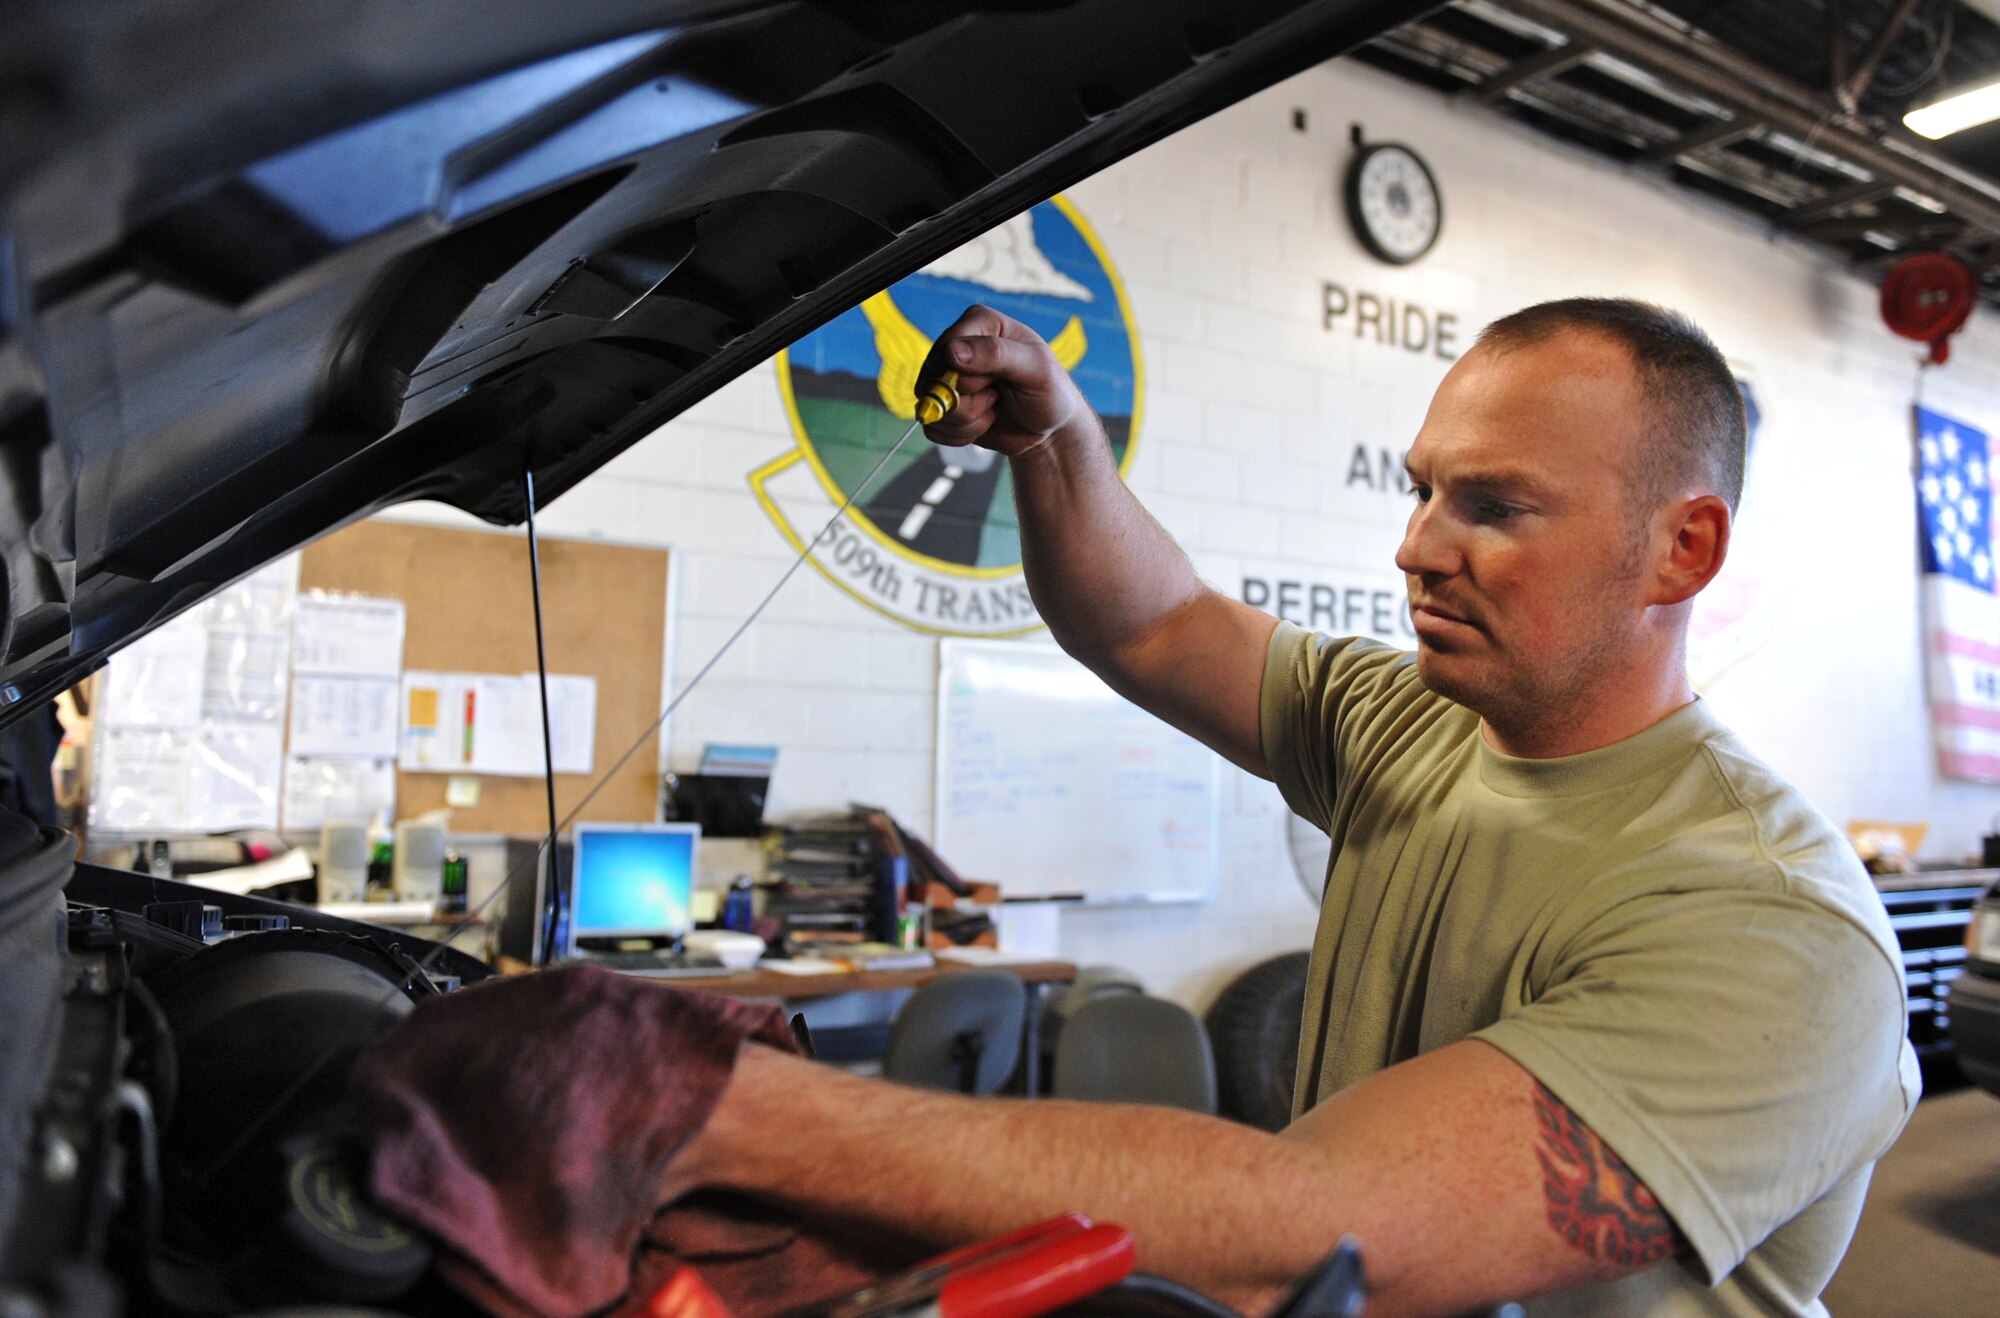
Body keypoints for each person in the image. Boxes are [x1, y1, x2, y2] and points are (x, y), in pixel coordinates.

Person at [673, 298, 1918, 1317]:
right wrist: (1055, 446)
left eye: (1490, 506)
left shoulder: (1767, 919)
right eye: (1422, 491)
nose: (1417, 546)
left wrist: (726, 1109)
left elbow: (1322, 1226)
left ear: (1681, 551)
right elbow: (1151, 622)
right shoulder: (1410, 723)